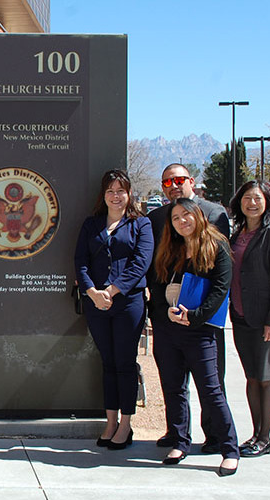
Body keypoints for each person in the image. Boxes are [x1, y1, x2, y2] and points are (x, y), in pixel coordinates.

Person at [149, 198, 239, 476]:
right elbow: (157, 283)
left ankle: (230, 450)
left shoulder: (217, 245)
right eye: (175, 218)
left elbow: (221, 288)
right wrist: (166, 314)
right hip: (168, 329)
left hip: (199, 330)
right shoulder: (170, 248)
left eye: (186, 215)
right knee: (173, 388)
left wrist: (195, 315)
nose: (181, 221)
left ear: (198, 216)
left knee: (211, 391)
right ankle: (179, 442)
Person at [74, 170, 153, 450]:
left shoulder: (140, 224)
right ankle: (110, 421)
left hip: (127, 304)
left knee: (124, 363)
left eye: (121, 191)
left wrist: (111, 290)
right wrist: (92, 292)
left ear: (129, 194)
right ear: (103, 195)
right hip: (96, 304)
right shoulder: (91, 224)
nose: (116, 196)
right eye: (110, 190)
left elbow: (140, 263)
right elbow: (81, 261)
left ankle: (126, 424)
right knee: (107, 363)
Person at [228, 181, 270, 458]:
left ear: (267, 202)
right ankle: (255, 435)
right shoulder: (237, 235)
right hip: (241, 316)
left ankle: (265, 439)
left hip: (266, 320)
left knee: (267, 378)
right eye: (246, 198)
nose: (251, 203)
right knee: (252, 377)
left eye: (257, 198)